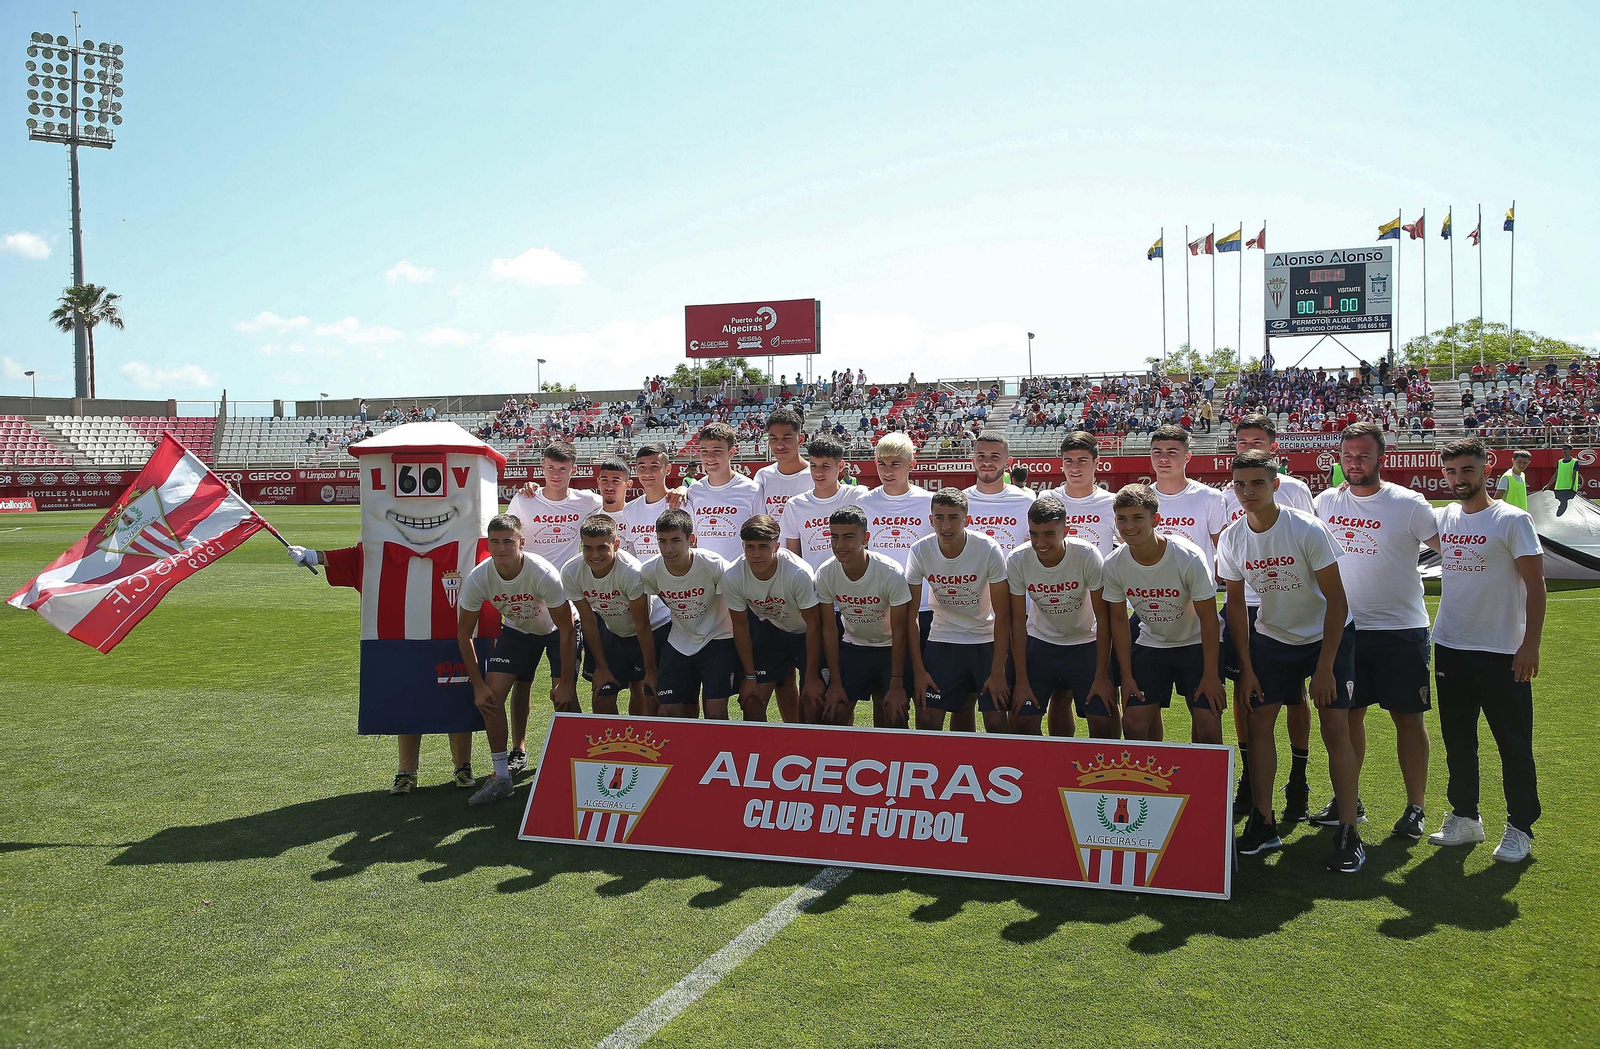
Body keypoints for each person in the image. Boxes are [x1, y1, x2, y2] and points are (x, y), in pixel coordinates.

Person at [1219, 450, 1365, 874]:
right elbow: (1236, 606)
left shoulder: (1306, 528)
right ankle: (1264, 822)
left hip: (1327, 637)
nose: (1247, 492)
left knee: (1334, 725)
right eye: (1240, 484)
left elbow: (1337, 601)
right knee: (1259, 720)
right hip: (1273, 638)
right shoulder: (1232, 537)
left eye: (1257, 484)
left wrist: (1324, 668)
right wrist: (1245, 669)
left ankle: (1348, 829)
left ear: (1275, 485)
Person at [1313, 422, 1441, 839]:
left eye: (1363, 455)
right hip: (1346, 629)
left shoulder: (1408, 503)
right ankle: (1350, 801)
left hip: (1400, 628)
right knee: (1349, 716)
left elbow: (1450, 550)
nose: (1355, 462)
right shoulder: (1325, 502)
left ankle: (1415, 806)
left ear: (1381, 457)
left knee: (1408, 717)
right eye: (1348, 455)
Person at [1428, 438, 1545, 863]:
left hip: (1502, 651)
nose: (1460, 480)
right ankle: (1465, 818)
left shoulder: (1512, 520)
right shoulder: (1444, 518)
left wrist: (1529, 644)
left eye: (1467, 471)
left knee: (1512, 743)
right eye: (1452, 472)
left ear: (1485, 470)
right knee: (1458, 739)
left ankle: (1520, 826)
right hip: (1451, 645)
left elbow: (1536, 586)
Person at [1223, 413, 1315, 822]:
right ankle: (1250, 777)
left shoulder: (1294, 490)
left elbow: (1314, 550)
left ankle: (1299, 775)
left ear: (1274, 446)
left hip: (1289, 604)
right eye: (1242, 442)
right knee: (1249, 696)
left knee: (1297, 696)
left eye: (1257, 441)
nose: (1249, 447)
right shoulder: (1228, 493)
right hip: (1247, 605)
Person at [455, 514, 576, 806]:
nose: (501, 548)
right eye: (494, 542)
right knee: (491, 699)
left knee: (564, 700)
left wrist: (567, 682)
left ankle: (573, 773)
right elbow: (463, 635)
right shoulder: (479, 577)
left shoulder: (542, 572)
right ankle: (501, 778)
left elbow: (567, 629)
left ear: (521, 542)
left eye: (508, 541)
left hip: (557, 630)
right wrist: (477, 686)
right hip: (518, 630)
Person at [505, 441, 601, 774]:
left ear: (573, 470)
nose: (555, 474)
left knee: (565, 684)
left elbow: (619, 506)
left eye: (562, 469)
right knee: (522, 682)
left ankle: (572, 749)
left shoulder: (587, 501)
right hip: (526, 606)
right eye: (549, 468)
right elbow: (508, 538)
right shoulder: (524, 499)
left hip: (566, 608)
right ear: (541, 468)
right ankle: (518, 749)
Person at [1103, 484, 1225, 745]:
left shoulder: (1189, 557)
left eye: (1137, 517)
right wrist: (1126, 677)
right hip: (1152, 644)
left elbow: (1209, 618)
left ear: (1155, 519)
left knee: (1208, 724)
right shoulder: (1113, 563)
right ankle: (1149, 785)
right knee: (1133, 723)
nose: (1128, 526)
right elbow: (1118, 622)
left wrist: (1211, 675)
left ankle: (1202, 785)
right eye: (1122, 518)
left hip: (1195, 645)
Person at [905, 488, 1012, 733]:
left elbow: (1003, 614)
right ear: (931, 520)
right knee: (927, 720)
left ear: (967, 520)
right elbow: (910, 615)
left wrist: (997, 672)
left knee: (996, 722)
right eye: (939, 518)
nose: (946, 525)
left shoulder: (988, 548)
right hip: (943, 638)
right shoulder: (920, 550)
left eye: (953, 517)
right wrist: (919, 670)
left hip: (983, 639)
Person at [1006, 496, 1114, 737]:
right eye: (1034, 534)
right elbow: (1016, 621)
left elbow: (1103, 617)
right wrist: (1021, 681)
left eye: (1048, 534)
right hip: (1041, 644)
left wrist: (1102, 675)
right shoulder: (1017, 559)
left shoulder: (1087, 555)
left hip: (1085, 643)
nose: (1040, 542)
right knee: (1022, 720)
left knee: (1103, 718)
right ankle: (1044, 770)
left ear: (1065, 529)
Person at [816, 505, 914, 728]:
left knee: (893, 714)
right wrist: (836, 683)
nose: (840, 545)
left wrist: (896, 684)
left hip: (890, 649)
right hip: (854, 647)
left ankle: (893, 761)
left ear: (865, 538)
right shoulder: (825, 572)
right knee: (834, 712)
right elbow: (829, 630)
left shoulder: (890, 572)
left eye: (848, 537)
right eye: (835, 537)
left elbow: (900, 632)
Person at [562, 513, 668, 717]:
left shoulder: (631, 571)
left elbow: (642, 624)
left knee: (650, 695)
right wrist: (601, 667)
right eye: (587, 548)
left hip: (655, 630)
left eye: (602, 547)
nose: (595, 555)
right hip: (616, 631)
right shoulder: (571, 571)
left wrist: (651, 671)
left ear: (616, 544)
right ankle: (612, 748)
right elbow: (588, 620)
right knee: (602, 695)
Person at [722, 515, 826, 722]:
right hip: (774, 629)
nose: (756, 554)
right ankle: (761, 751)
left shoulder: (797, 573)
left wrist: (812, 677)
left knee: (813, 700)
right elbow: (740, 626)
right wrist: (750, 677)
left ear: (777, 546)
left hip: (808, 633)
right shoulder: (733, 576)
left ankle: (806, 746)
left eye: (763, 546)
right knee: (751, 699)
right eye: (749, 547)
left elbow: (815, 625)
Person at [638, 509, 737, 719]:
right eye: (662, 541)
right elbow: (654, 613)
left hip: (718, 640)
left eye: (675, 540)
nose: (668, 548)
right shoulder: (649, 571)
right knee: (667, 712)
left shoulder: (714, 565)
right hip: (680, 641)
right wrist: (651, 670)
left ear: (691, 540)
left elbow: (738, 609)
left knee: (716, 713)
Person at [781, 436, 869, 570]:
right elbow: (794, 558)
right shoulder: (794, 505)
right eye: (813, 466)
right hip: (814, 587)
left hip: (854, 586)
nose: (818, 473)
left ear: (840, 466)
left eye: (825, 466)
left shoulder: (857, 496)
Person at [1147, 425, 1227, 566]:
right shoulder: (1141, 498)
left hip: (1197, 587)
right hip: (1153, 586)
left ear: (1187, 456)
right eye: (1157, 452)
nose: (1163, 458)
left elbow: (1226, 552)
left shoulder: (1210, 497)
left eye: (1172, 452)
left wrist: (1208, 581)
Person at [684, 423, 763, 562]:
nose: (709, 457)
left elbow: (761, 537)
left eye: (717, 451)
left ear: (731, 452)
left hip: (739, 576)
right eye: (704, 451)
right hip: (705, 575)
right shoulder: (694, 492)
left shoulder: (751, 490)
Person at [753, 407, 812, 523]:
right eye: (774, 439)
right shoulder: (763, 476)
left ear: (800, 439)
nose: (779, 445)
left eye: (787, 439)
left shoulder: (815, 476)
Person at [620, 444, 673, 560]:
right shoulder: (629, 510)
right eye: (642, 467)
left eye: (654, 466)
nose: (647, 473)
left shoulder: (680, 503)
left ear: (667, 469)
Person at [1550, 445, 1582, 513]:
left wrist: (1572, 487)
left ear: (1570, 450)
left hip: (1569, 489)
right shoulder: (1560, 462)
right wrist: (1548, 485)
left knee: (1570, 509)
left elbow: (1574, 475)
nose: (1564, 451)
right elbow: (1556, 474)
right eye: (1563, 449)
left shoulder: (1574, 461)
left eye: (1566, 449)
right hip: (1558, 488)